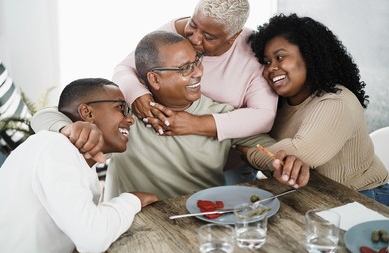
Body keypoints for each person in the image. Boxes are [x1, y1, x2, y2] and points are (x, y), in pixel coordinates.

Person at [31, 0, 278, 183]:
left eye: (197, 61)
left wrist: (194, 123)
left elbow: (262, 134)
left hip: (214, 186)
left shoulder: (228, 105)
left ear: (233, 36)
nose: (193, 38)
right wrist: (138, 97)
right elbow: (124, 68)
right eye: (192, 25)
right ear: (153, 78)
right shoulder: (128, 113)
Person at [104, 30, 309, 201]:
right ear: (155, 79)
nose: (199, 72)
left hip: (202, 222)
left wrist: (283, 164)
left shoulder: (223, 114)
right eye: (185, 68)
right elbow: (77, 126)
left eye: (197, 61)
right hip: (132, 228)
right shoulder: (121, 114)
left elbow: (262, 148)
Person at [238, 13, 389, 205]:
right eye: (267, 62)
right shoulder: (279, 103)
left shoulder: (336, 103)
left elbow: (296, 153)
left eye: (280, 57)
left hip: (363, 198)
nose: (271, 68)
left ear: (309, 56)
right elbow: (274, 155)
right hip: (316, 195)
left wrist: (246, 151)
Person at [0, 78, 158, 253]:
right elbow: (92, 237)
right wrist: (133, 200)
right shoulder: (55, 146)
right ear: (86, 113)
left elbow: (75, 244)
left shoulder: (77, 163)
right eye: (121, 108)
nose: (130, 119)